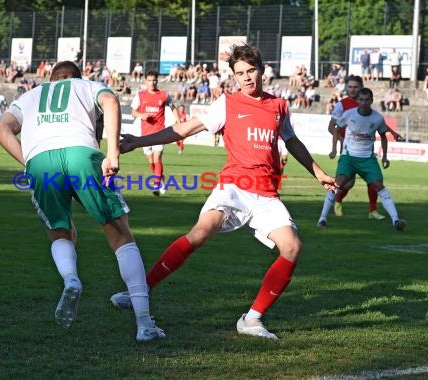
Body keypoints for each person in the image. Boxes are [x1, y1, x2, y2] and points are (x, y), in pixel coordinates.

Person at [110, 44, 336, 340]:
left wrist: (318, 172)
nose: (246, 78)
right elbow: (185, 129)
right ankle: (139, 292)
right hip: (234, 186)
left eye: (251, 71)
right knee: (200, 233)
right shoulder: (226, 104)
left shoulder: (278, 106)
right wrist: (138, 142)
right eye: (240, 73)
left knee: (292, 247)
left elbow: (292, 142)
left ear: (262, 70)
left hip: (266, 193)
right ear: (233, 76)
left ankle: (252, 320)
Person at [0, 61, 165, 342]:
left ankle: (71, 278)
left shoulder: (30, 95)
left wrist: (30, 163)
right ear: (77, 78)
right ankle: (144, 324)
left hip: (40, 162)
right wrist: (112, 154)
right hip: (81, 155)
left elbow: (0, 130)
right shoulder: (87, 85)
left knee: (60, 232)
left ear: (51, 78)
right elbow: (109, 100)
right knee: (120, 234)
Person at [318, 88, 406, 232]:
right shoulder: (348, 114)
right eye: (361, 100)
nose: (364, 103)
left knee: (379, 186)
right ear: (357, 101)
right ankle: (322, 219)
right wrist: (334, 149)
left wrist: (384, 156)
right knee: (337, 185)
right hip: (349, 157)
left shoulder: (377, 118)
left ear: (372, 101)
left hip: (367, 159)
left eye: (367, 100)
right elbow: (336, 129)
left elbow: (383, 137)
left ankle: (396, 221)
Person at [131, 70, 180, 196]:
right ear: (145, 81)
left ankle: (156, 185)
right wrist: (141, 115)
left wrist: (178, 120)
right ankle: (160, 178)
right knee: (151, 161)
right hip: (145, 134)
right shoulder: (140, 95)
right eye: (149, 80)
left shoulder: (163, 95)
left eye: (154, 80)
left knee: (157, 158)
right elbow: (133, 112)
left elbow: (173, 107)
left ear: (157, 81)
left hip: (160, 133)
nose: (152, 83)